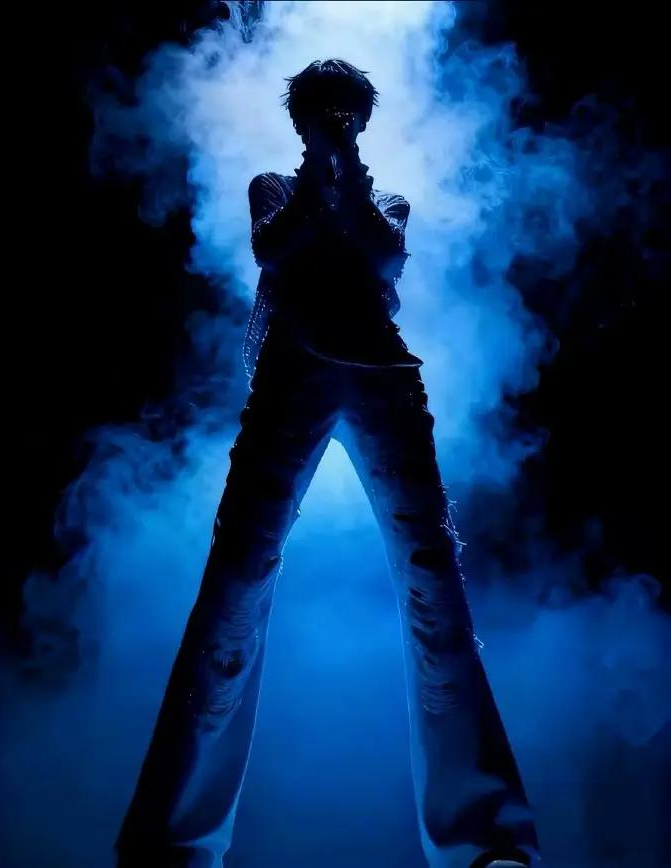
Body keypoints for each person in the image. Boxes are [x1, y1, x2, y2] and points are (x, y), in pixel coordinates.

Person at [116, 59, 542, 868]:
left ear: (364, 119)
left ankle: (486, 838)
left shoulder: (389, 199)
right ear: (301, 118)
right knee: (236, 580)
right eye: (323, 111)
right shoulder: (273, 186)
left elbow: (383, 258)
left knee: (432, 582)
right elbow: (275, 252)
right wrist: (321, 170)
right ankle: (174, 842)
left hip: (383, 380)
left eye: (346, 112)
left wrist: (345, 171)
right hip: (290, 375)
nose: (335, 121)